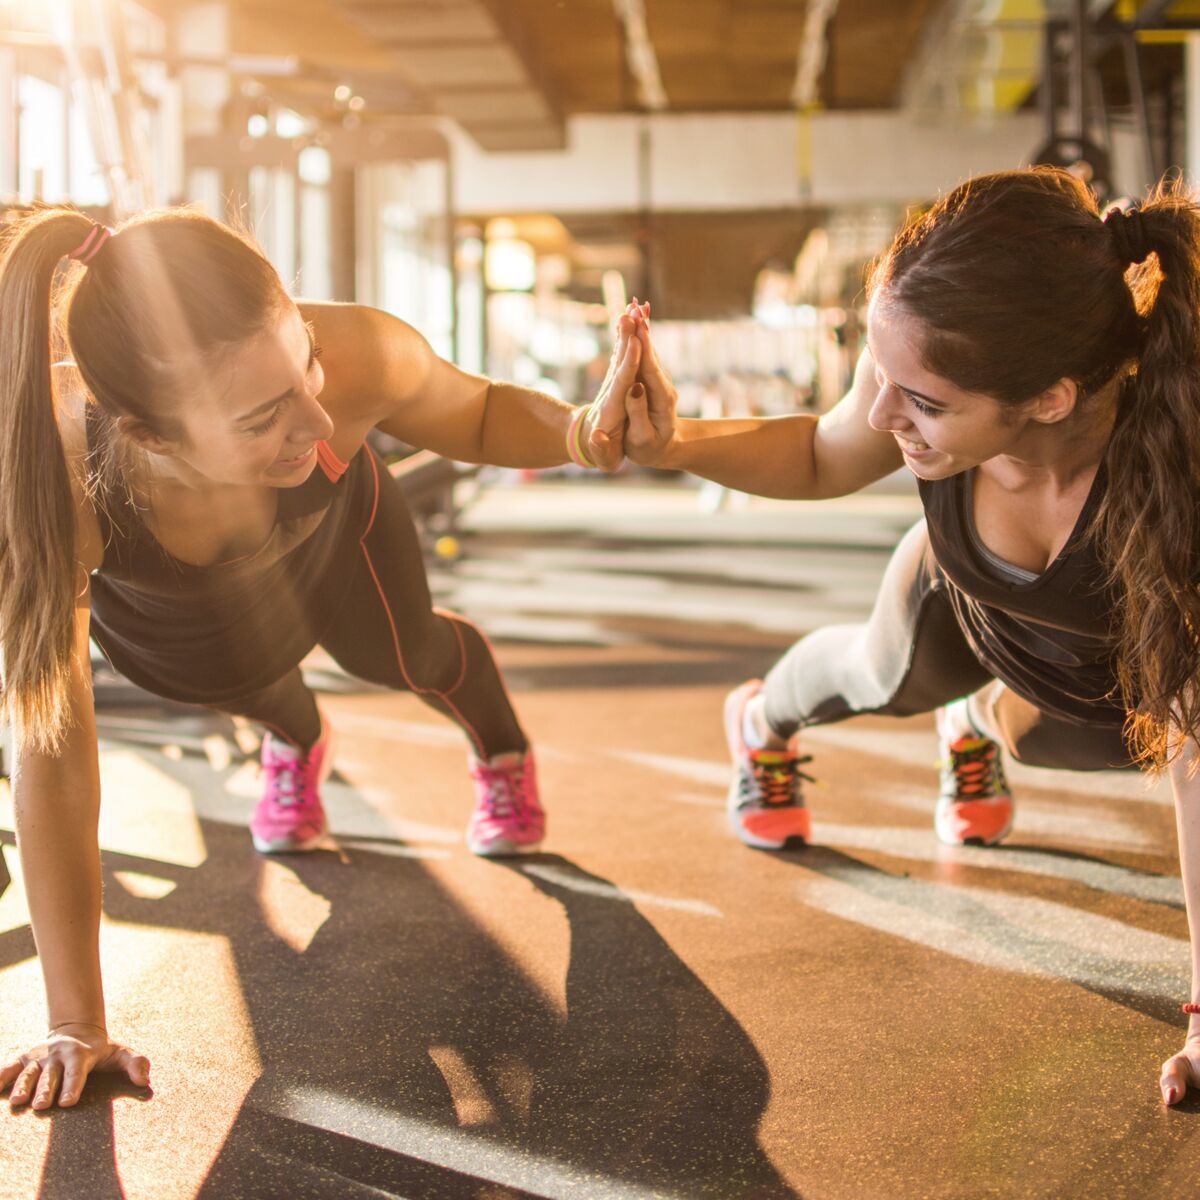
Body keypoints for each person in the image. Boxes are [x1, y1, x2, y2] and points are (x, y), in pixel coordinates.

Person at [0, 206, 642, 1110]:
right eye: (265, 415)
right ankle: (295, 740)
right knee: (231, 679)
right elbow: (52, 749)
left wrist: (588, 431)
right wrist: (75, 1020)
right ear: (150, 436)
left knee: (403, 654)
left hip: (334, 545)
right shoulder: (54, 470)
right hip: (179, 624)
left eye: (307, 359)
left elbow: (482, 410)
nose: (317, 414)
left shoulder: (357, 356)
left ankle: (499, 747)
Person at [620, 168, 1200, 1106]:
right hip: (959, 592)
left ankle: (980, 724)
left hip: (1107, 667)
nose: (886, 419)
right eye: (881, 379)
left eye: (922, 404)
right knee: (879, 673)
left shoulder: (1172, 464)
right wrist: (672, 446)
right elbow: (820, 449)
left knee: (1061, 740)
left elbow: (1193, 750)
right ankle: (763, 721)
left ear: (1051, 399)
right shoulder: (918, 365)